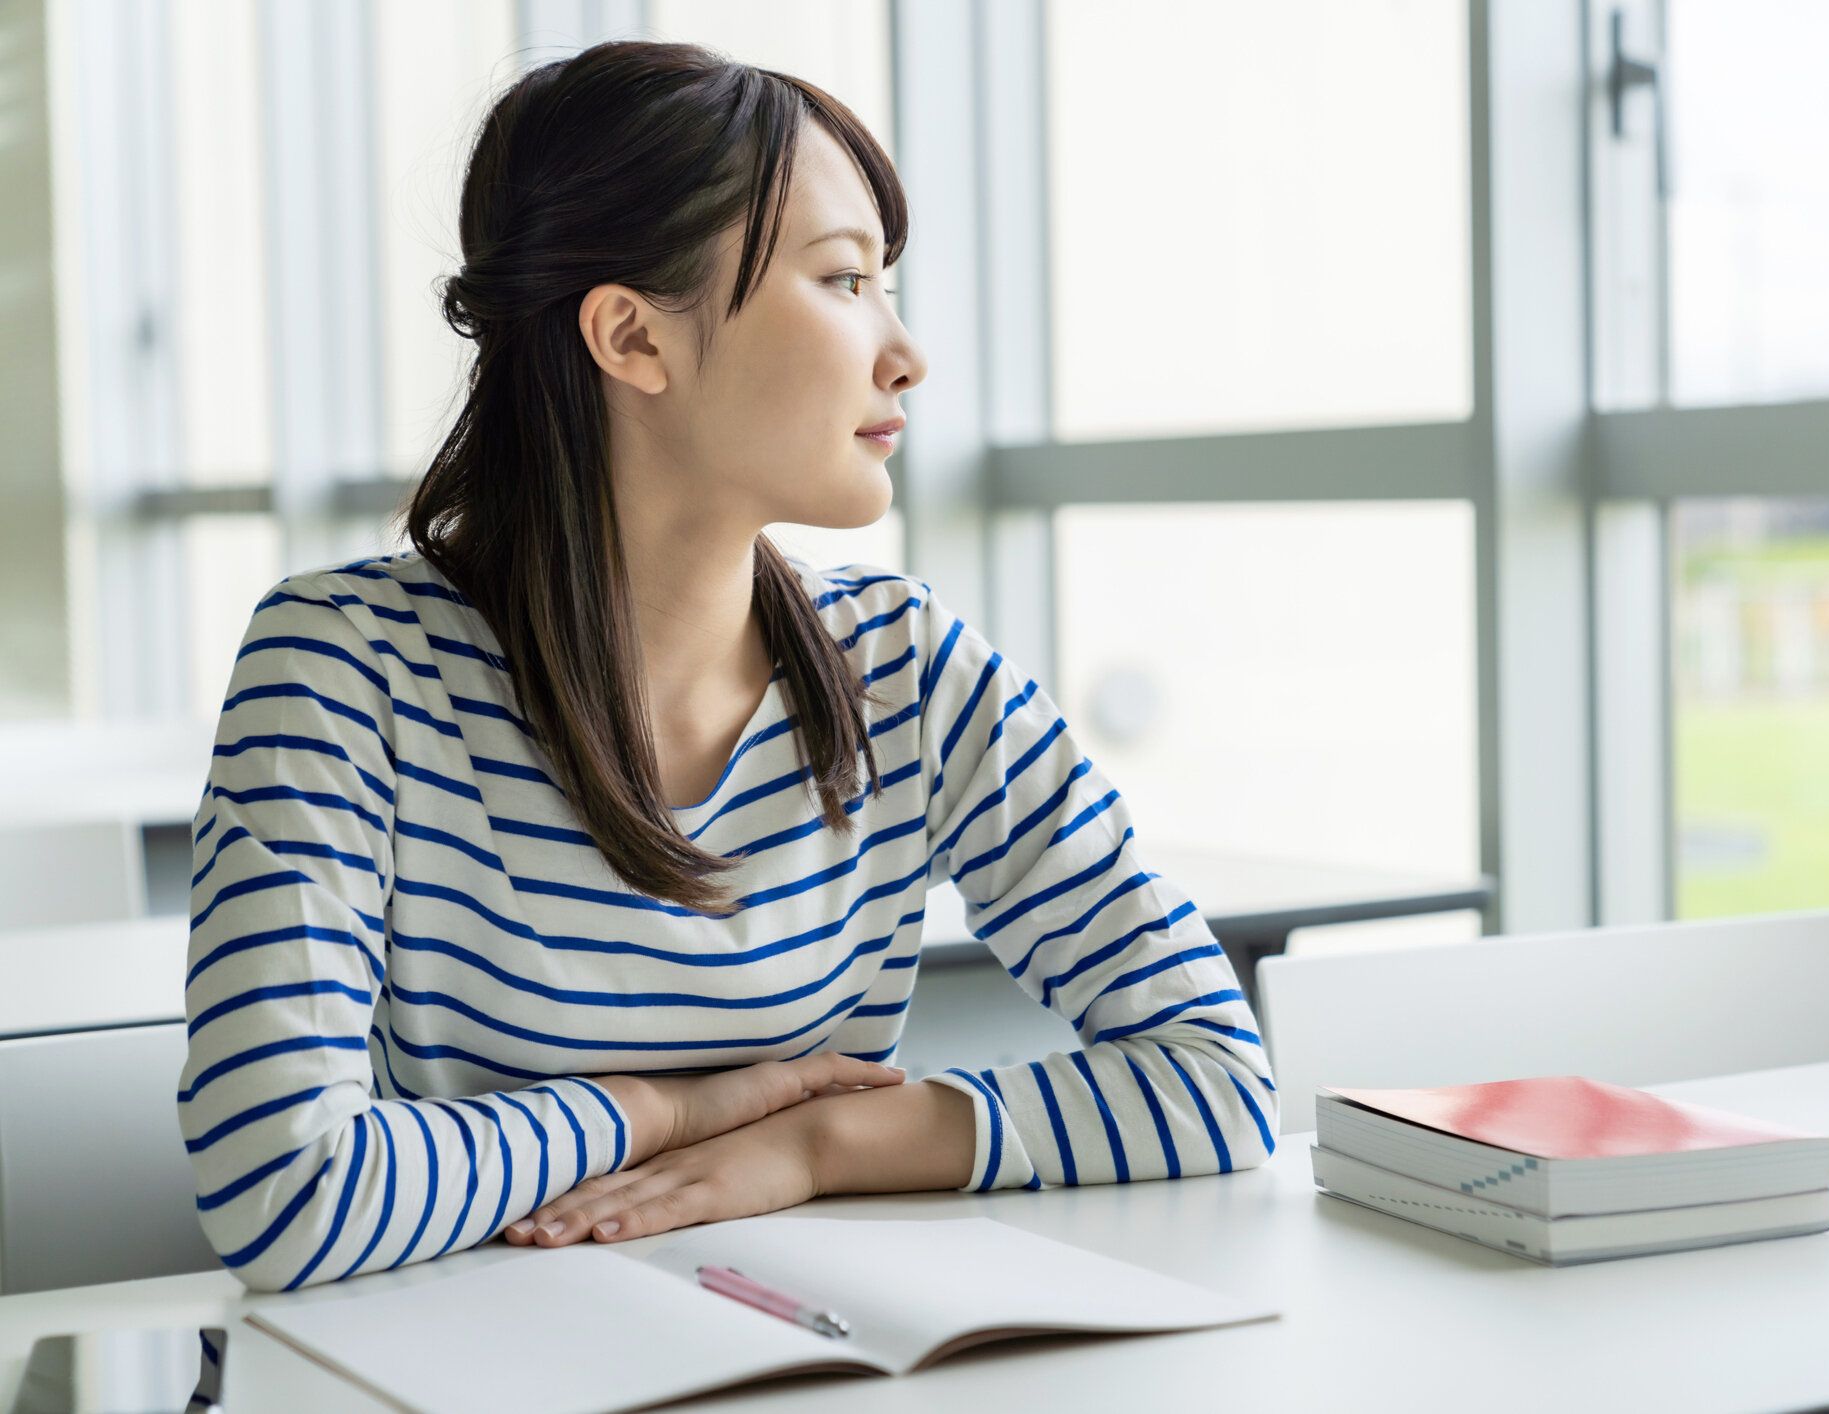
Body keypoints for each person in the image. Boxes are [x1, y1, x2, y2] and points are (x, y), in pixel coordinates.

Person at [177, 39, 1277, 1294]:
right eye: (845, 280)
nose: (905, 353)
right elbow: (285, 1191)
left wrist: (814, 1144)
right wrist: (667, 1110)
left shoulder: (911, 670)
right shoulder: (344, 669)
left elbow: (1217, 1078)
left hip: (818, 1350)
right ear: (633, 337)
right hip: (460, 1355)